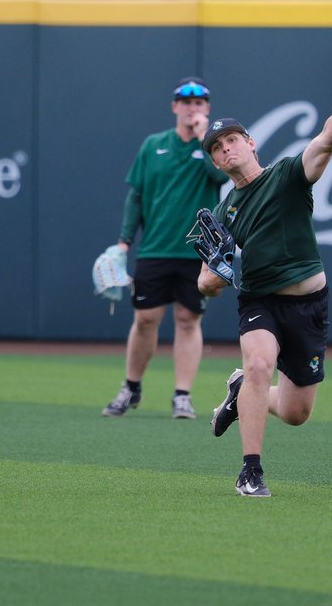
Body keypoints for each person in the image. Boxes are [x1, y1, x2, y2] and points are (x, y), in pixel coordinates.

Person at [198, 72, 332, 497]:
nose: (226, 148)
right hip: (260, 301)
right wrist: (215, 275)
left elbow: (326, 141)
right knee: (259, 364)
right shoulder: (224, 212)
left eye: (232, 140)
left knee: (296, 412)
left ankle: (240, 392)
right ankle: (250, 471)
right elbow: (205, 282)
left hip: (309, 304)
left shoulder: (288, 175)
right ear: (217, 163)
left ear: (250, 143)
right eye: (218, 148)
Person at [102, 77, 228, 419]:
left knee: (189, 320)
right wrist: (123, 242)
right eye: (186, 102)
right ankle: (131, 387)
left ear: (208, 108)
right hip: (156, 248)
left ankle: (182, 395)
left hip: (197, 252)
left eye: (200, 102)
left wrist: (206, 138)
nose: (193, 107)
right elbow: (137, 195)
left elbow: (220, 178)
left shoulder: (213, 147)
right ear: (175, 107)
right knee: (145, 319)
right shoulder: (153, 144)